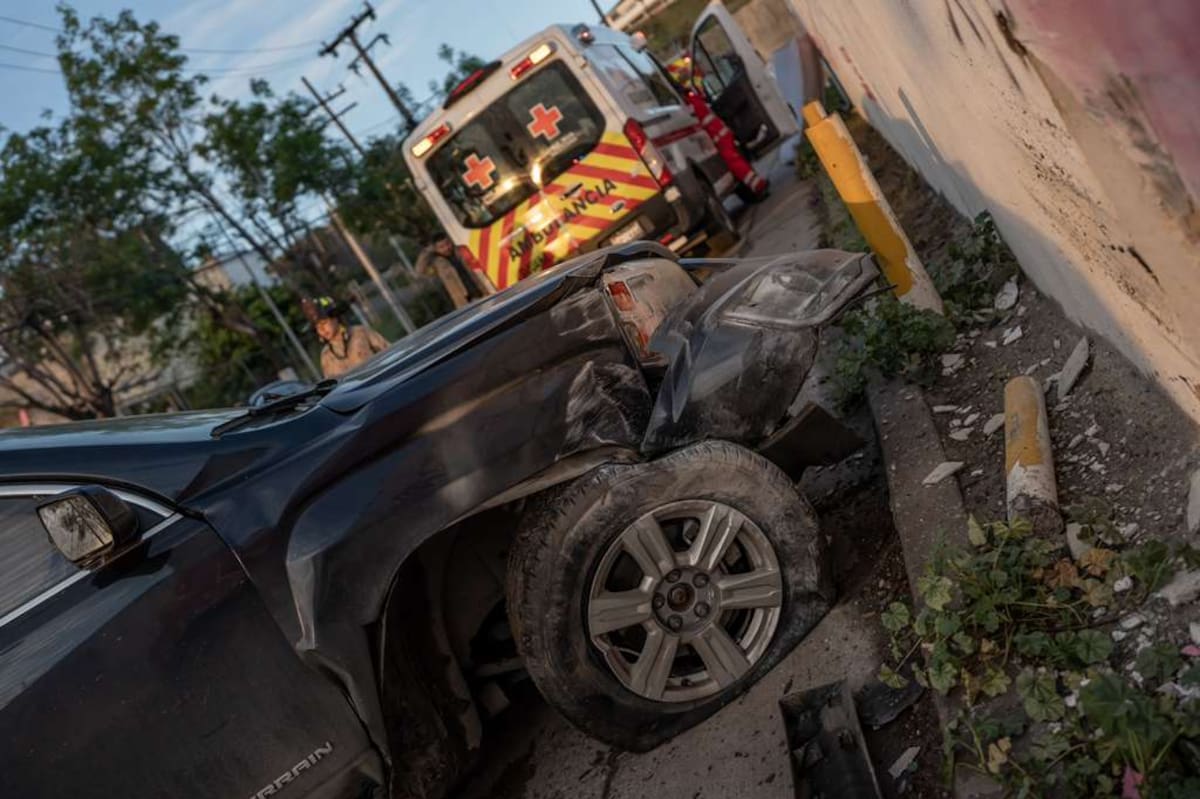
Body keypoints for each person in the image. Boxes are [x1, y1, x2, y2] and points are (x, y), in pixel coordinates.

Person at [666, 55, 769, 200]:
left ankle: (757, 187)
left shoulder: (689, 102)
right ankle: (757, 186)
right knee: (737, 163)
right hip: (719, 135)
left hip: (716, 138)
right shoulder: (692, 98)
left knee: (736, 163)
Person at [302, 296, 390, 378]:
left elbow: (390, 354)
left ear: (335, 318)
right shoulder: (326, 355)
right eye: (317, 327)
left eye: (324, 323)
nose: (322, 329)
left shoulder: (360, 333)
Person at [416, 233, 494, 310]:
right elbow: (420, 271)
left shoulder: (461, 251)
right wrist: (428, 251)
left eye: (447, 244)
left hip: (483, 294)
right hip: (465, 304)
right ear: (436, 249)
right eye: (441, 247)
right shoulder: (437, 264)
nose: (446, 248)